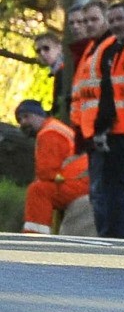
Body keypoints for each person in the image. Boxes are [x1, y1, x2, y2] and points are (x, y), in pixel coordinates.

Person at [81, 2, 124, 239]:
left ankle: (121, 238)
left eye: (119, 19)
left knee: (118, 189)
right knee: (109, 190)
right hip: (110, 130)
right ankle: (115, 238)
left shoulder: (120, 46)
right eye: (112, 19)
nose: (115, 24)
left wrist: (101, 127)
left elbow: (110, 91)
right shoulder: (104, 48)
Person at [14, 100, 90, 235]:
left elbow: (46, 172)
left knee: (37, 190)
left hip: (78, 181)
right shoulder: (56, 127)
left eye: (26, 117)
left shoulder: (48, 133)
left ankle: (35, 236)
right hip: (82, 179)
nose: (23, 123)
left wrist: (47, 179)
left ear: (39, 115)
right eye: (20, 120)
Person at [68, 1, 109, 152]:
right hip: (85, 128)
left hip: (100, 129)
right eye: (71, 23)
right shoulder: (85, 51)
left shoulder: (101, 48)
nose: (76, 27)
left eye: (81, 22)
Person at [33, 32, 64, 115]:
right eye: (38, 51)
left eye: (46, 48)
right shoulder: (57, 72)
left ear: (59, 48)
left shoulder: (65, 71)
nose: (42, 53)